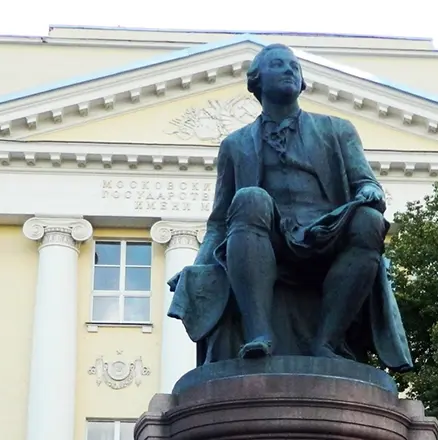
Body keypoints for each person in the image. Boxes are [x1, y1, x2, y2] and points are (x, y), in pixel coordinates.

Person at [167, 43, 413, 372]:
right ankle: (258, 334)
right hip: (269, 239)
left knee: (369, 221)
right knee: (249, 198)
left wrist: (370, 191)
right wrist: (198, 266)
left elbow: (365, 182)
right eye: (278, 65)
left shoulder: (337, 130)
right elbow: (219, 223)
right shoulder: (235, 144)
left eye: (294, 66)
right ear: (257, 81)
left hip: (328, 233)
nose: (289, 70)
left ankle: (327, 341)